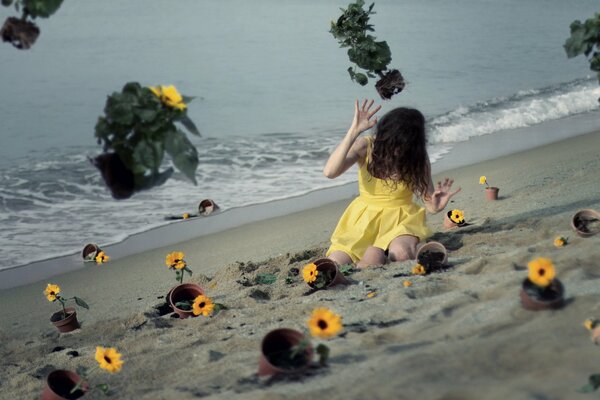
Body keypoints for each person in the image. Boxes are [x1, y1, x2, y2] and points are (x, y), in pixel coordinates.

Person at [323, 99, 460, 268]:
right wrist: (354, 132)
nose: (397, 149)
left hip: (401, 219)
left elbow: (430, 204)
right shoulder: (366, 146)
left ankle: (393, 253)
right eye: (394, 142)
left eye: (404, 144)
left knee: (400, 254)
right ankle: (376, 257)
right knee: (335, 263)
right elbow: (330, 172)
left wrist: (437, 205)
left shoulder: (418, 158)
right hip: (363, 219)